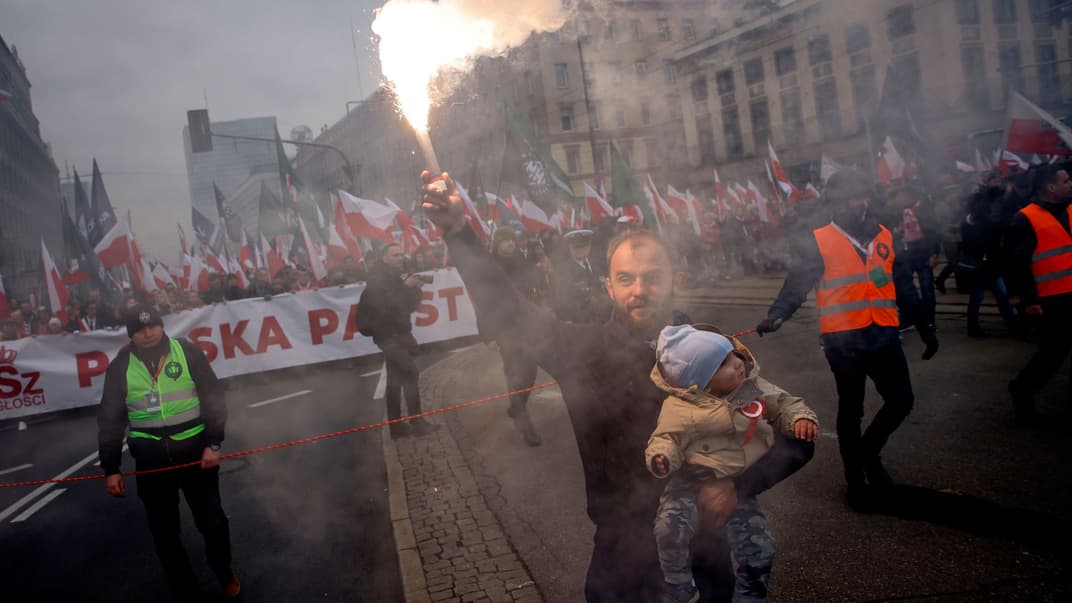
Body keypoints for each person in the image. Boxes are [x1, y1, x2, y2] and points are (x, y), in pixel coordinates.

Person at [421, 171, 814, 602]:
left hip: (700, 557)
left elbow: (798, 434)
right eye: (626, 279)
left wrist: (738, 487)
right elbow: (509, 312)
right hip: (620, 563)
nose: (639, 290)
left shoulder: (713, 353)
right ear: (609, 286)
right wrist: (458, 233)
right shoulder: (580, 350)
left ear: (676, 280)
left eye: (652, 277)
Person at [756, 169, 938, 508]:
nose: (859, 204)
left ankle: (868, 452)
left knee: (901, 401)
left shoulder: (885, 236)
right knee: (851, 410)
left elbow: (903, 287)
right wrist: (778, 314)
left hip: (884, 335)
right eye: (851, 198)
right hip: (843, 342)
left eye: (861, 197)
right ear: (835, 202)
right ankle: (855, 480)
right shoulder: (819, 239)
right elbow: (796, 284)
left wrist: (926, 327)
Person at [647, 325, 818, 603]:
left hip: (735, 481)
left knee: (760, 549)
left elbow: (785, 404)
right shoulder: (679, 407)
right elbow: (667, 437)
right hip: (688, 482)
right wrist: (661, 457)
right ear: (702, 384)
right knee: (668, 529)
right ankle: (679, 584)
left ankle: (750, 594)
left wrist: (800, 418)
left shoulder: (752, 387)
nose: (738, 363)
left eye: (732, 354)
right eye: (723, 364)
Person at [97, 306, 240, 600]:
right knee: (164, 534)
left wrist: (213, 443)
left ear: (161, 326)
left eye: (153, 326)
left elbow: (213, 397)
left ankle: (225, 574)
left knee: (213, 523)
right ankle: (186, 590)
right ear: (131, 335)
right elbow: (110, 420)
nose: (148, 333)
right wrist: (111, 468)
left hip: (195, 455)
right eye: (140, 330)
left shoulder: (186, 351)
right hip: (151, 463)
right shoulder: (120, 365)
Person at [1005, 164, 1072, 421]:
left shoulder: (1070, 209)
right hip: (1050, 299)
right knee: (1053, 353)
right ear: (1051, 187)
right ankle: (1022, 388)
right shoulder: (1025, 219)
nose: (1070, 184)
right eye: (1065, 181)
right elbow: (1017, 266)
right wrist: (1029, 300)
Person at [360, 243, 438, 437]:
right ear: (384, 258)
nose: (399, 258)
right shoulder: (378, 278)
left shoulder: (395, 276)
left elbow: (407, 307)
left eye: (401, 254)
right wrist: (405, 287)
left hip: (398, 333)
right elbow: (386, 305)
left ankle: (396, 427)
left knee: (394, 381)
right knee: (410, 373)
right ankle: (416, 422)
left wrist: (414, 289)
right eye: (394, 255)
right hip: (388, 334)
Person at [484, 227, 542, 446]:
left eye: (512, 240)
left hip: (526, 324)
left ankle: (516, 407)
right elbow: (483, 304)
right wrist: (488, 335)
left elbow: (531, 288)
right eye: (505, 240)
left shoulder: (521, 260)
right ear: (497, 243)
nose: (510, 243)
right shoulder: (491, 266)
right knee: (515, 373)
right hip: (504, 327)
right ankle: (525, 426)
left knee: (531, 371)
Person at [551, 229, 612, 324]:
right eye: (576, 247)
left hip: (607, 322)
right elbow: (562, 305)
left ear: (589, 246)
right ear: (570, 248)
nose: (580, 250)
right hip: (581, 325)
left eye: (583, 246)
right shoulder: (562, 272)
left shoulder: (599, 264)